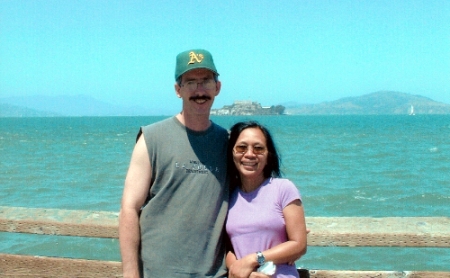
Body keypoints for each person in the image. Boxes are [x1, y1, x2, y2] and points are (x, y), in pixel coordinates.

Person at [119, 49, 229, 278]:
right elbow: (129, 209)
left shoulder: (229, 143)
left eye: (206, 81)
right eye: (190, 82)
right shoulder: (151, 139)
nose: (199, 90)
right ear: (178, 90)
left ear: (217, 87)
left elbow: (253, 198)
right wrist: (131, 274)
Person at [225, 121, 308, 278]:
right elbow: (228, 248)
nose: (250, 154)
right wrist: (241, 270)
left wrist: (254, 259)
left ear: (268, 155)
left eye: (258, 148)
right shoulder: (227, 195)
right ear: (232, 152)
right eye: (242, 148)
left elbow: (299, 244)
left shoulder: (283, 189)